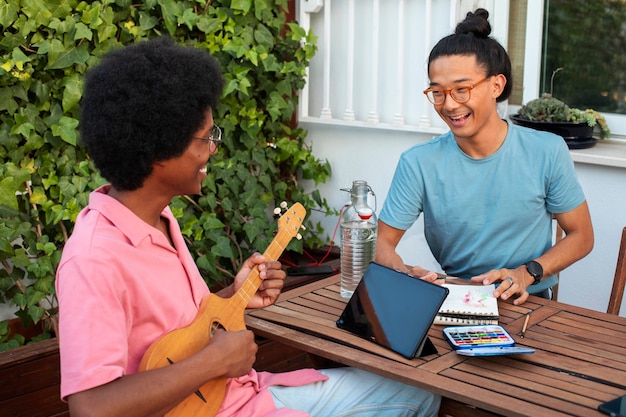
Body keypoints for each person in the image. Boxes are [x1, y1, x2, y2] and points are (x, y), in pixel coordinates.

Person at [55, 37, 440, 417]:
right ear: (158, 150)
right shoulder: (94, 261)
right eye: (206, 137)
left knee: (420, 390)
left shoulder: (157, 219)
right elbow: (91, 407)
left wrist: (233, 295)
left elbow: (179, 329)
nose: (213, 149)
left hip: (246, 394)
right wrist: (211, 363)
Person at [375, 8, 594, 305]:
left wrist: (527, 273)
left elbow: (581, 236)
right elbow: (381, 242)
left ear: (496, 85)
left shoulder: (547, 151)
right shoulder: (418, 163)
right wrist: (403, 272)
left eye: (461, 90)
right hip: (453, 298)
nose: (449, 105)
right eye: (437, 92)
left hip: (528, 298)